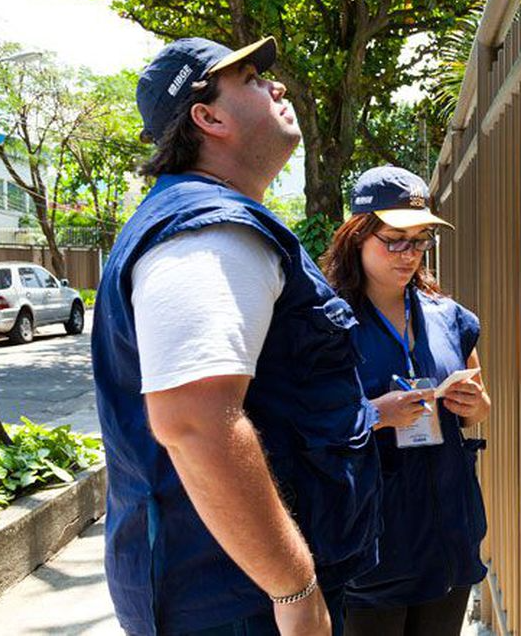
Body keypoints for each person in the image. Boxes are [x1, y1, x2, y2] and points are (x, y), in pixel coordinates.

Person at [91, 39, 427, 636]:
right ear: (208, 117)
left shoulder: (209, 219)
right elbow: (193, 421)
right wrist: (293, 586)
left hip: (236, 589)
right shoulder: (208, 229)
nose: (277, 87)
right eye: (249, 78)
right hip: (240, 602)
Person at [321, 166, 492, 636]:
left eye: (419, 241)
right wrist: (377, 414)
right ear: (357, 236)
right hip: (373, 545)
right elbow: (304, 425)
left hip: (448, 538)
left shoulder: (448, 317)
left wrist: (472, 404)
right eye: (394, 239)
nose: (409, 254)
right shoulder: (327, 324)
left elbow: (482, 407)